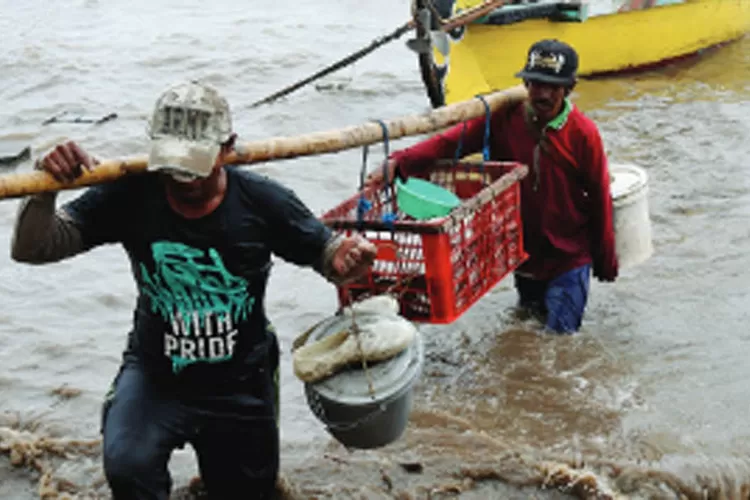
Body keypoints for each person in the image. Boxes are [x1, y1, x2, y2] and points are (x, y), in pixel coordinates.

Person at [10, 80, 377, 499]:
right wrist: (45, 189)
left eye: (195, 164)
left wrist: (346, 259)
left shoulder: (263, 202)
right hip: (156, 374)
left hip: (241, 378)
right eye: (171, 164)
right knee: (129, 468)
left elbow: (328, 256)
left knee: (245, 491)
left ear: (227, 147)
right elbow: (34, 249)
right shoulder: (130, 193)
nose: (182, 179)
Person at [367, 39, 618, 334]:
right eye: (536, 84)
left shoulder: (583, 134)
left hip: (569, 256)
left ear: (569, 88)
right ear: (525, 82)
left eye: (553, 86)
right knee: (528, 327)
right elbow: (451, 142)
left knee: (560, 340)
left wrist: (605, 259)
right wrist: (401, 161)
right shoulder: (505, 119)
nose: (543, 93)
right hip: (524, 254)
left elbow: (601, 196)